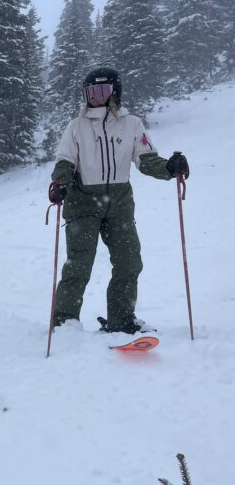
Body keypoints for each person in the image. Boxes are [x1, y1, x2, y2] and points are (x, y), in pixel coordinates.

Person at [49, 67, 190, 334]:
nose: (95, 97)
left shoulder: (132, 124)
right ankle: (64, 321)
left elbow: (146, 160)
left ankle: (121, 319)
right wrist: (60, 183)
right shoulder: (76, 126)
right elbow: (65, 161)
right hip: (83, 205)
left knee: (129, 262)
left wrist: (170, 168)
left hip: (119, 206)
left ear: (115, 92)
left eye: (101, 91)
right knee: (79, 265)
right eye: (90, 92)